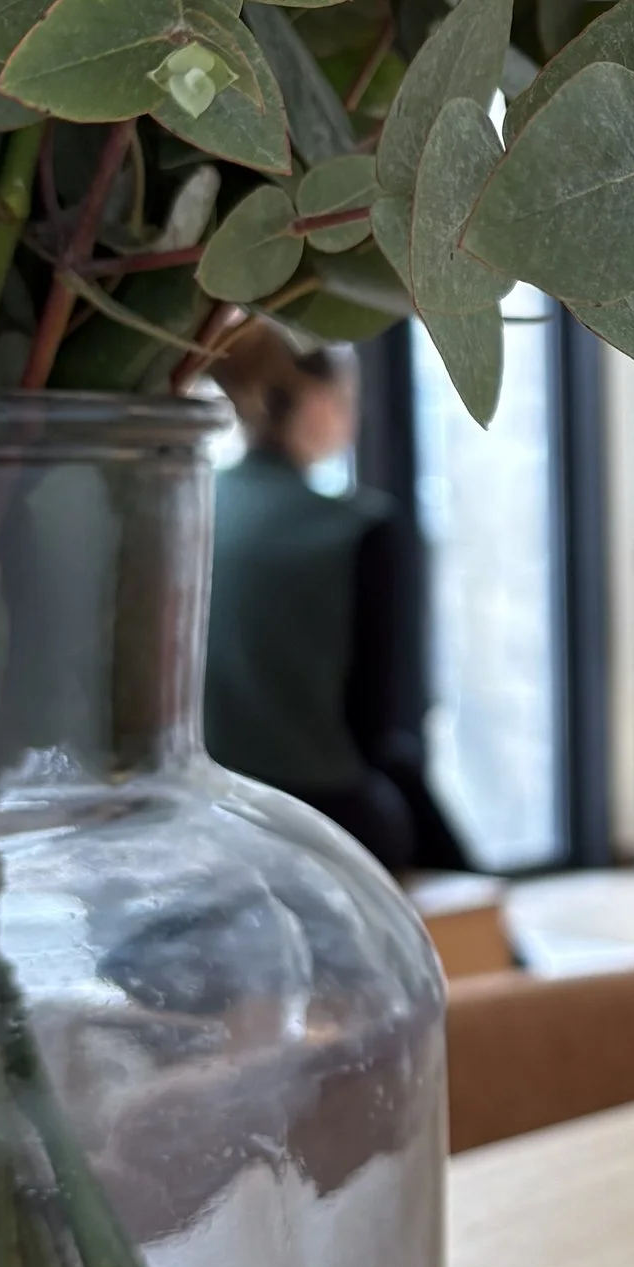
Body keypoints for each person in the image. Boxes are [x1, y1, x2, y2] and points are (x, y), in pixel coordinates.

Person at [203, 327, 465, 876]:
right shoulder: (361, 530)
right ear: (319, 401)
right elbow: (382, 726)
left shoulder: (191, 505)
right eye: (350, 399)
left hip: (209, 809)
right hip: (318, 816)